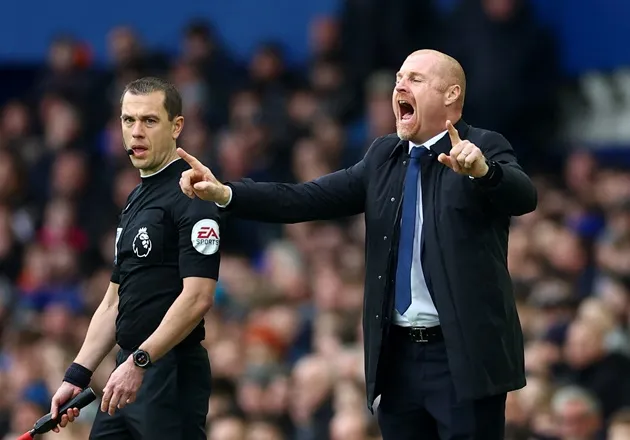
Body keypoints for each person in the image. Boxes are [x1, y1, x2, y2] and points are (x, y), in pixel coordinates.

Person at [178, 49, 537, 439]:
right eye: (399, 77)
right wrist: (226, 192)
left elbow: (523, 198)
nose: (400, 85)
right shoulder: (383, 156)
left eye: (415, 78)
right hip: (397, 358)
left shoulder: (483, 145)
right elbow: (304, 198)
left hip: (462, 356)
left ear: (450, 94)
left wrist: (484, 171)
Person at [50, 77, 221, 439]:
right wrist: (76, 375)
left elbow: (198, 298)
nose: (136, 132)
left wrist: (141, 361)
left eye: (149, 120)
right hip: (127, 368)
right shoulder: (134, 201)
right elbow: (115, 300)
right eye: (128, 120)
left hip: (168, 370)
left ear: (177, 126)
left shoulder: (193, 193)